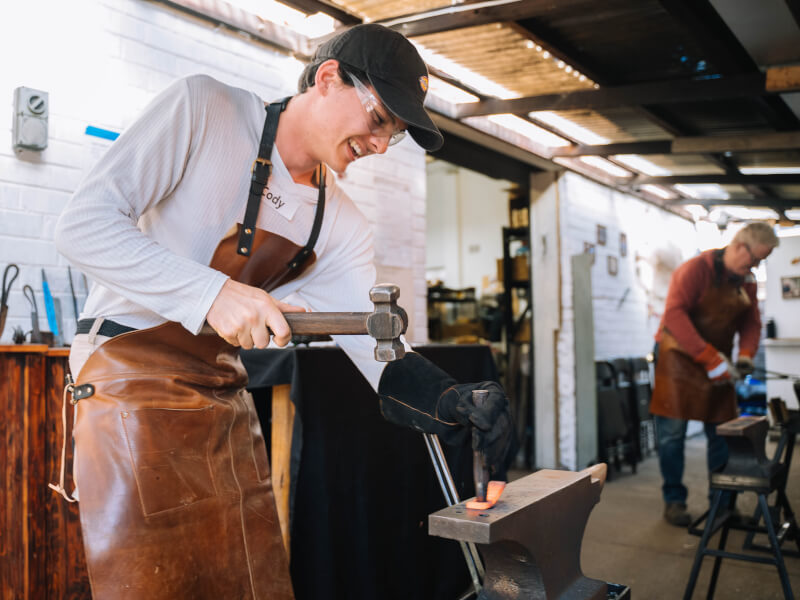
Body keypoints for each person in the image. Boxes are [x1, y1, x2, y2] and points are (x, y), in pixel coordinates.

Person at [53, 24, 516, 599]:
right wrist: (212, 294)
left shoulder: (340, 223)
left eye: (391, 135)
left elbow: (376, 352)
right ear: (327, 78)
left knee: (256, 585)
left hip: (222, 403)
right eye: (378, 119)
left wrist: (453, 400)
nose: (378, 144)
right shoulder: (208, 110)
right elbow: (82, 226)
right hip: (127, 391)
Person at [649, 222, 778, 527]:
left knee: (722, 434)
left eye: (761, 262)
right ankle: (674, 502)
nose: (755, 267)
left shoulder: (746, 281)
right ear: (737, 246)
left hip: (717, 360)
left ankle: (722, 507)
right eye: (755, 259)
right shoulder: (694, 270)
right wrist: (710, 359)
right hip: (677, 358)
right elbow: (674, 316)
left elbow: (751, 322)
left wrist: (745, 354)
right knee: (672, 436)